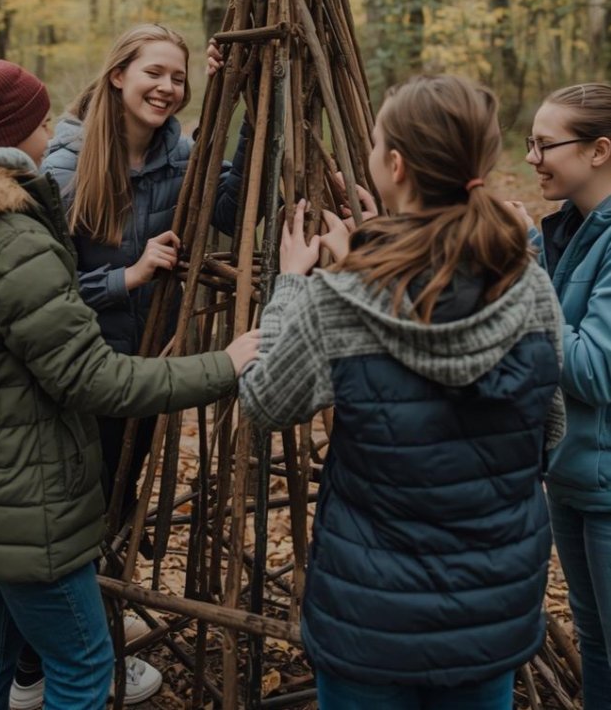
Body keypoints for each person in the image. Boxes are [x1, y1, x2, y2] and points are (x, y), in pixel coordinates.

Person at [239, 73, 565, 710]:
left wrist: (294, 289)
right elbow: (549, 428)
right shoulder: (526, 283)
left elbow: (265, 402)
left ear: (394, 166)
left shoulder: (341, 299)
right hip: (489, 608)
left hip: (370, 619)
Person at [0, 59, 259, 710]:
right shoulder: (26, 221)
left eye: (179, 75)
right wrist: (220, 364)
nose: (51, 127)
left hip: (67, 422)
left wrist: (244, 110)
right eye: (39, 118)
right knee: (84, 664)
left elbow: (229, 204)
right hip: (39, 470)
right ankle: (41, 666)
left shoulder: (174, 156)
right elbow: (79, 363)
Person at [521, 82, 611, 710]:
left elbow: (592, 369)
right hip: (573, 477)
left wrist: (527, 268)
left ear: (599, 150)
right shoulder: (574, 229)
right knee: (597, 645)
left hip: (607, 490)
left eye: (544, 145)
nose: (532, 158)